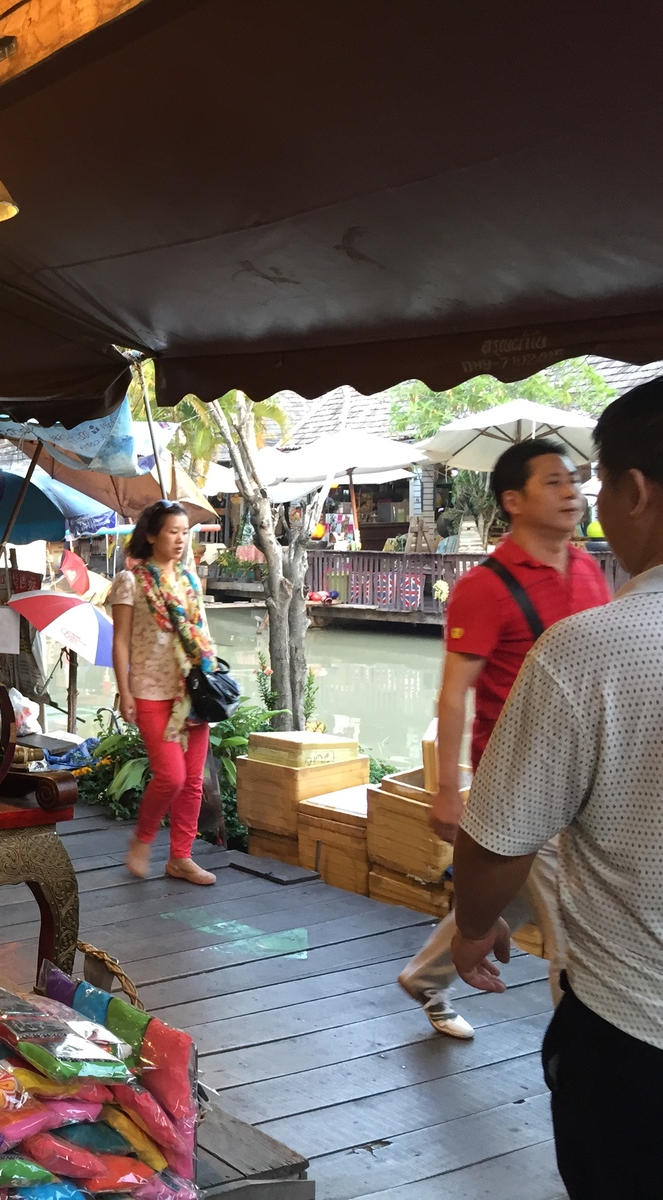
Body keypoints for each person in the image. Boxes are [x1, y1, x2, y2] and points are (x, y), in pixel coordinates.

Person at [449, 383, 663, 1199]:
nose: (586, 496)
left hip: (635, 1031)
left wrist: (474, 922)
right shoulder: (494, 587)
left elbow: (499, 842)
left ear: (634, 491)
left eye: (596, 479)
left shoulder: (593, 640)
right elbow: (454, 696)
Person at [396, 438, 609, 1039]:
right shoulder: (485, 587)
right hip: (520, 782)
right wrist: (446, 791)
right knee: (575, 925)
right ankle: (586, 1058)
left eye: (574, 481)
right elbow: (454, 693)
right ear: (512, 501)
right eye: (554, 483)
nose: (572, 493)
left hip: (589, 777)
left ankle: (427, 976)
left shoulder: (590, 570)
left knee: (505, 895)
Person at [108, 500, 216, 886]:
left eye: (185, 532)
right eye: (173, 531)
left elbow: (202, 635)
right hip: (151, 691)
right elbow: (120, 642)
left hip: (192, 692)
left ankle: (181, 857)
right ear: (151, 535)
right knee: (170, 776)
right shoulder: (130, 582)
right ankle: (142, 839)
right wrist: (125, 691)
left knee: (193, 781)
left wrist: (210, 673)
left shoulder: (189, 581)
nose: (180, 540)